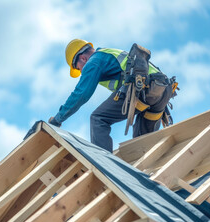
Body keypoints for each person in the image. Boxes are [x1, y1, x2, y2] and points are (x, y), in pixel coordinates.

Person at [48, 39, 176, 152]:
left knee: (98, 118)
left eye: (78, 68)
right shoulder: (109, 54)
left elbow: (81, 94)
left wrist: (58, 119)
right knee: (141, 147)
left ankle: (104, 166)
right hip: (161, 92)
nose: (81, 72)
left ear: (82, 58)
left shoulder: (94, 61)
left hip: (142, 90)